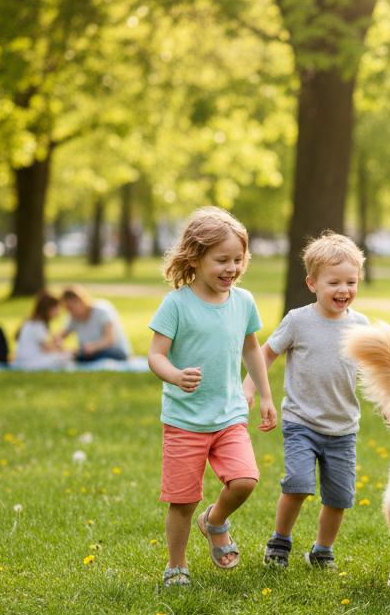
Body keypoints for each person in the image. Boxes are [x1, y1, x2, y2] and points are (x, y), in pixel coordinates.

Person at [147, 207, 277, 587]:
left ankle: (215, 520)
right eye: (221, 260)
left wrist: (265, 396)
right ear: (195, 257)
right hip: (185, 419)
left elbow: (251, 349)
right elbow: (156, 355)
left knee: (245, 480)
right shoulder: (177, 304)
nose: (231, 268)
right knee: (182, 501)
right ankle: (176, 565)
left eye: (238, 259)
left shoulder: (243, 301)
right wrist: (174, 375)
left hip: (229, 415)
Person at [261, 232, 371, 569]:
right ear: (312, 283)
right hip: (301, 422)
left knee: (339, 498)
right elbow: (265, 353)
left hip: (343, 428)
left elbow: (375, 371)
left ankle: (322, 550)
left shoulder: (361, 325)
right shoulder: (298, 320)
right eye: (333, 282)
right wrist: (253, 389)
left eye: (350, 282)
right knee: (297, 484)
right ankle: (280, 542)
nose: (343, 290)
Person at [54, 284, 133, 362]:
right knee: (80, 356)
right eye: (67, 309)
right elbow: (61, 336)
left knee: (83, 356)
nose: (70, 312)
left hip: (115, 351)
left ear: (81, 301)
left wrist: (94, 347)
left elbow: (111, 339)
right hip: (92, 354)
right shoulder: (73, 318)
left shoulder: (101, 310)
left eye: (71, 308)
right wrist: (56, 343)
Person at [13, 290, 75, 371]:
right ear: (49, 309)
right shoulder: (38, 324)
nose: (58, 312)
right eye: (56, 308)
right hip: (30, 362)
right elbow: (45, 348)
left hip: (23, 360)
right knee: (67, 358)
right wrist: (57, 345)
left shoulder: (32, 322)